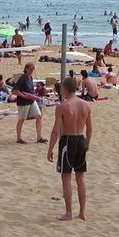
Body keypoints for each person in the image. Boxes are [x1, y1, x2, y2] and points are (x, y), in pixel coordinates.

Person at [47, 77, 92, 221]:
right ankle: (82, 212)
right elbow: (90, 128)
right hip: (81, 139)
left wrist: (50, 148)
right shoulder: (85, 105)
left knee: (66, 177)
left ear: (65, 89)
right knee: (80, 178)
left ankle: (68, 212)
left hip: (68, 140)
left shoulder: (63, 107)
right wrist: (88, 143)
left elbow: (55, 130)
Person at [13, 63, 47, 144]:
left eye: (33, 69)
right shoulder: (22, 78)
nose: (32, 71)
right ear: (26, 69)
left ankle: (39, 137)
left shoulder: (30, 77)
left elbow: (31, 90)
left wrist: (36, 97)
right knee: (21, 119)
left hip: (31, 100)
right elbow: (14, 91)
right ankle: (18, 138)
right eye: (31, 69)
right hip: (23, 102)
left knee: (38, 116)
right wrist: (23, 96)